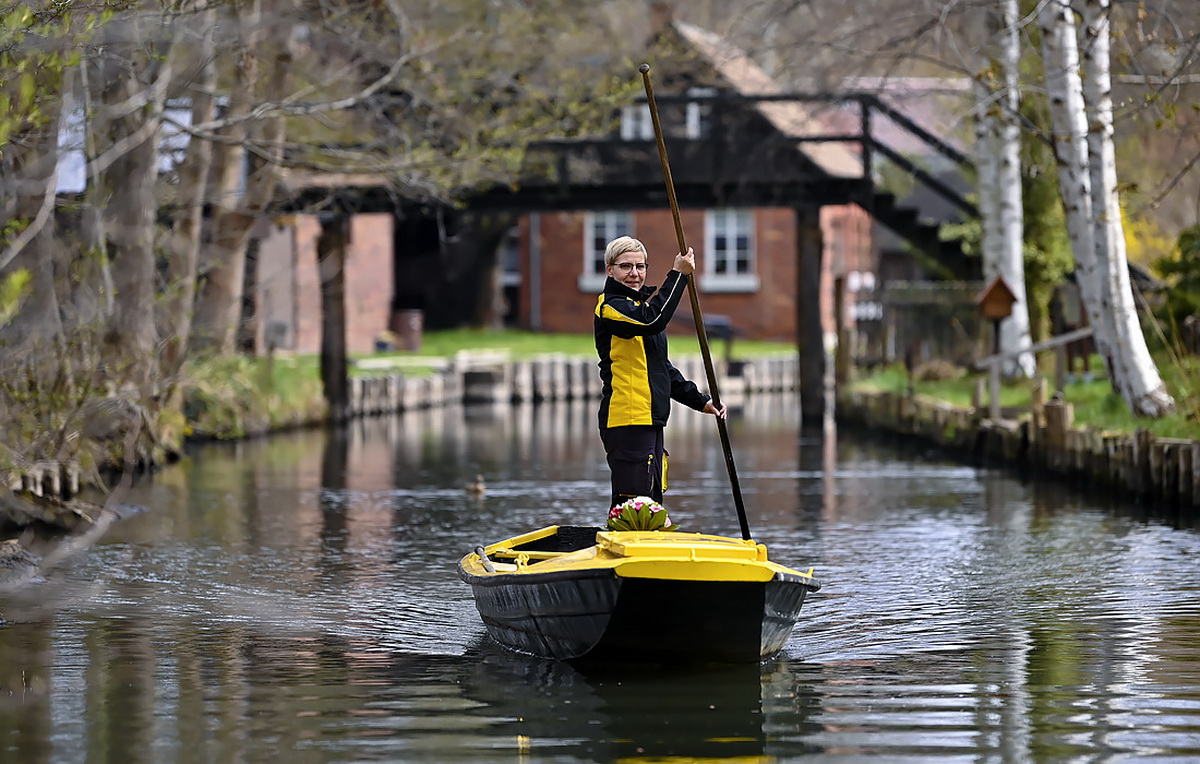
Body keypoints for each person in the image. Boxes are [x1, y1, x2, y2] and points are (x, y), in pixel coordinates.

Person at [593, 235, 727, 511]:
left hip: (650, 417)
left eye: (640, 267)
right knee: (632, 506)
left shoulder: (639, 309)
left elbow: (661, 369)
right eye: (626, 267)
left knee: (651, 502)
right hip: (627, 418)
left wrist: (701, 401)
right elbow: (654, 320)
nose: (634, 274)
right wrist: (678, 275)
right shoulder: (611, 308)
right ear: (610, 270)